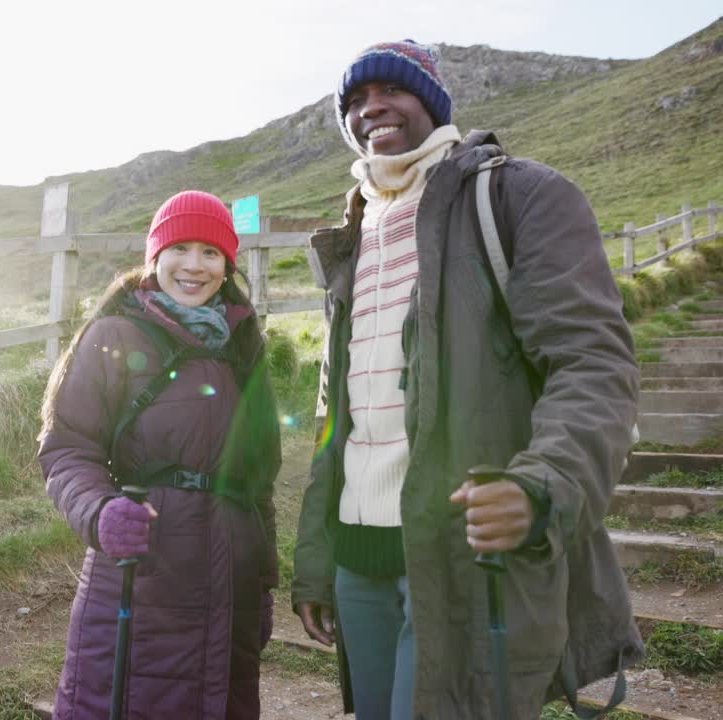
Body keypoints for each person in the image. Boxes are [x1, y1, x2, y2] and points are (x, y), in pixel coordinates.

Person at [290, 40, 644, 719]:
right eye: (356, 102)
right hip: (358, 564)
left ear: (433, 101)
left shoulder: (519, 195)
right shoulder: (350, 237)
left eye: (391, 89)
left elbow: (594, 363)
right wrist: (318, 561)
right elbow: (337, 414)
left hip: (467, 561)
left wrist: (542, 484)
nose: (373, 109)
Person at [39, 190, 282, 719]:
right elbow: (67, 451)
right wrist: (100, 512)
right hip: (139, 575)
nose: (194, 265)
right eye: (180, 248)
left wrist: (262, 583)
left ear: (227, 266)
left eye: (211, 252)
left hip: (230, 581)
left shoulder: (245, 348)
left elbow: (259, 480)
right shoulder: (112, 336)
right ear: (155, 256)